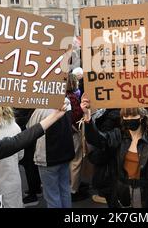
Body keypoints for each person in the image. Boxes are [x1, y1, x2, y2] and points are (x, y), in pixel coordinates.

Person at [81, 93, 148, 208]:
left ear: (141, 117)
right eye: (125, 117)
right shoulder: (118, 136)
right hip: (122, 193)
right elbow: (97, 139)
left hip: (147, 195)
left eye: (133, 116)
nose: (129, 119)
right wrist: (87, 117)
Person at [28, 103, 75, 208]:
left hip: (47, 157)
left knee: (52, 195)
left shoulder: (41, 109)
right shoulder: (66, 102)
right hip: (65, 153)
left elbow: (31, 128)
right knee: (65, 189)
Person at [66, 73, 88, 202]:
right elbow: (75, 116)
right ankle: (73, 189)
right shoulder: (73, 98)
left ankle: (73, 184)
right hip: (74, 132)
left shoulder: (62, 96)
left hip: (66, 134)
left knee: (69, 160)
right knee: (76, 160)